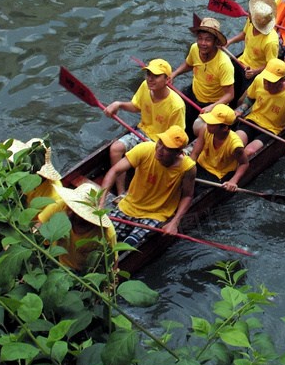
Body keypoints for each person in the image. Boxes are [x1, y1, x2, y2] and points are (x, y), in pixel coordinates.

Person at [96, 126, 196, 246]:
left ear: (178, 153)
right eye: (160, 143)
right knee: (103, 236)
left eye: (167, 149)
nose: (159, 149)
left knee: (130, 244)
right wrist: (101, 202)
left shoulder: (188, 168)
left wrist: (174, 222)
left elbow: (187, 196)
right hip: (130, 205)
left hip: (156, 213)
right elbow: (114, 172)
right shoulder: (145, 149)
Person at [100, 58, 186, 196]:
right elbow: (136, 106)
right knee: (115, 148)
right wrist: (119, 104)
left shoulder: (176, 106)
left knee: (147, 163)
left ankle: (138, 194)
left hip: (160, 142)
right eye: (149, 75)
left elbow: (176, 136)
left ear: (167, 79)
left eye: (156, 76)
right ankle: (121, 193)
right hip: (142, 131)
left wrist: (160, 148)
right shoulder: (145, 86)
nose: (150, 79)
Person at [236, 58, 285, 157]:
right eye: (266, 79)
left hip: (271, 130)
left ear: (282, 80)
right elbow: (250, 98)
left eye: (271, 81)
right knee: (235, 144)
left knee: (248, 152)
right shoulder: (259, 79)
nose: (266, 83)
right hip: (252, 120)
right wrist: (241, 109)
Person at [170, 18, 235, 134]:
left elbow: (230, 95)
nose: (202, 43)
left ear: (215, 42)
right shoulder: (195, 48)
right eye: (200, 38)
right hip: (194, 95)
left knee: (197, 128)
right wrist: (174, 74)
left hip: (213, 104)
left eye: (207, 40)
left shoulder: (224, 64)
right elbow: (189, 64)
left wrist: (212, 107)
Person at [35, 182, 117, 272]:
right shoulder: (62, 205)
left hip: (80, 272)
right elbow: (38, 226)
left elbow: (112, 262)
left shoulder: (106, 232)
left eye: (74, 209)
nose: (68, 209)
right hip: (53, 257)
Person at [226, 0, 279, 93]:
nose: (248, 14)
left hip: (253, 72)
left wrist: (254, 72)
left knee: (243, 95)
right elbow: (244, 34)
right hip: (241, 61)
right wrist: (229, 41)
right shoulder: (250, 23)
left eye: (250, 13)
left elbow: (271, 64)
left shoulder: (271, 42)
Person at [190, 104, 249, 192]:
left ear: (224, 128)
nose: (208, 124)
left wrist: (233, 181)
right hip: (200, 164)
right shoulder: (205, 129)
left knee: (197, 192)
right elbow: (195, 153)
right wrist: (188, 168)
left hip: (216, 174)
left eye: (212, 124)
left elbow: (244, 164)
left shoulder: (235, 146)